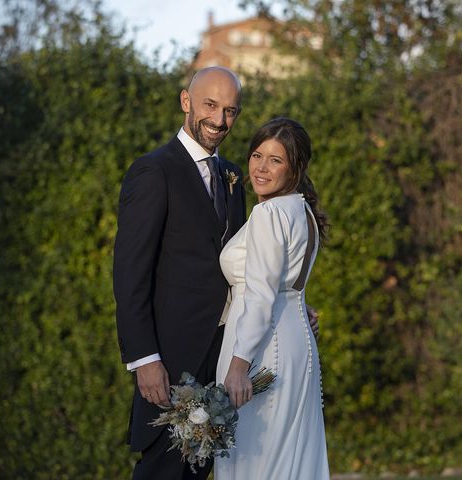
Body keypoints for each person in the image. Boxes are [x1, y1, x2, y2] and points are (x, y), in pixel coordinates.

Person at [113, 67, 246, 480]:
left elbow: (242, 264)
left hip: (219, 357)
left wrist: (292, 302)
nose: (220, 120)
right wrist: (144, 359)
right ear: (186, 102)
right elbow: (130, 272)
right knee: (161, 471)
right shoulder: (154, 171)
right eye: (210, 105)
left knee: (196, 472)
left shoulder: (232, 178)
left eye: (230, 111)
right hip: (170, 360)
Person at [215, 117, 330, 479]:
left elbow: (261, 294)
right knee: (288, 460)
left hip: (260, 348)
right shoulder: (303, 212)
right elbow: (288, 286)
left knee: (251, 460)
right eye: (257, 155)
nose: (261, 167)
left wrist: (238, 366)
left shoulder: (268, 213)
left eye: (276, 160)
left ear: (294, 168)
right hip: (296, 344)